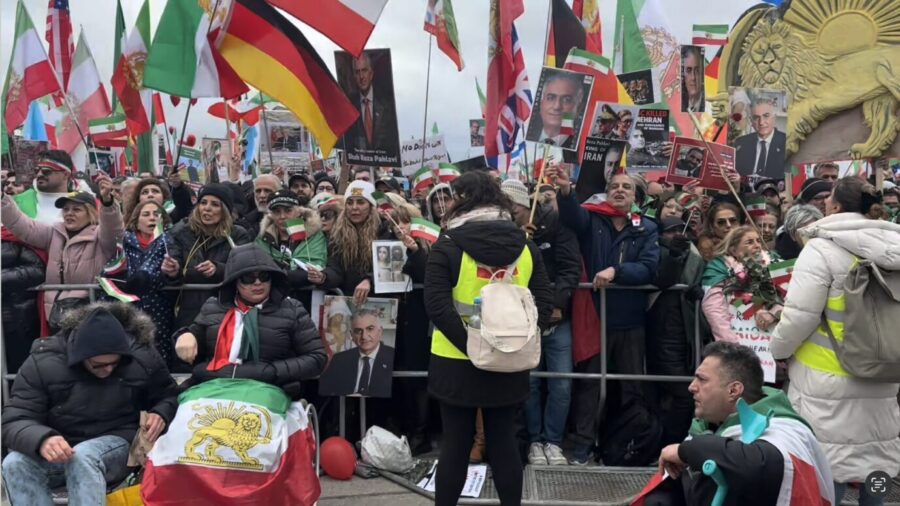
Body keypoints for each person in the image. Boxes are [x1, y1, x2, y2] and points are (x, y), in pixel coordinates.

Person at [425, 170, 553, 506]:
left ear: (463, 200)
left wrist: (473, 345)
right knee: (503, 441)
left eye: (451, 197)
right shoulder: (526, 246)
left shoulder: (447, 245)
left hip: (455, 359)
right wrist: (511, 341)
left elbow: (437, 306)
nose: (445, 204)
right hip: (509, 359)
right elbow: (544, 301)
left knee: (455, 444)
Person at [771, 177, 900, 505]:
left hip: (826, 378)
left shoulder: (821, 248)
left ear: (835, 206)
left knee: (831, 469)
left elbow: (800, 316)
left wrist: (779, 348)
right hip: (885, 370)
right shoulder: (895, 247)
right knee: (878, 460)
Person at [2, 304, 178, 506]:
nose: (109, 369)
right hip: (62, 445)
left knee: (84, 457)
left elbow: (169, 395)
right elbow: (15, 418)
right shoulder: (43, 362)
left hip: (120, 442)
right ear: (80, 357)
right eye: (99, 365)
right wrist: (41, 439)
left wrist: (161, 413)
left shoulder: (142, 356)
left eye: (115, 362)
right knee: (15, 463)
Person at [547, 167, 660, 465]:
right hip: (594, 319)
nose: (620, 190)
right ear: (607, 191)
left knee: (630, 386)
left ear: (635, 196)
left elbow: (650, 267)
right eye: (614, 186)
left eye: (626, 187)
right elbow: (572, 217)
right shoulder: (593, 218)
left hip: (631, 321)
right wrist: (567, 192)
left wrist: (617, 272)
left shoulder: (646, 227)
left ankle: (626, 446)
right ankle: (583, 447)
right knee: (589, 386)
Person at [644, 342, 834, 506]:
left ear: (734, 390)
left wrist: (685, 451)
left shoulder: (785, 431)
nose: (691, 387)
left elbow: (757, 464)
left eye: (702, 379)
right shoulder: (706, 428)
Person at [174, 244, 327, 398]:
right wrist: (184, 335)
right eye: (248, 278)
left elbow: (317, 358)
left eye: (264, 276)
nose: (257, 283)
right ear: (235, 281)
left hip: (268, 390)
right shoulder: (213, 306)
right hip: (211, 387)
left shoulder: (292, 309)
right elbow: (189, 346)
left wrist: (272, 371)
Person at [501, 179, 580, 466]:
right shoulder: (506, 232)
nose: (509, 215)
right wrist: (518, 243)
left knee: (561, 384)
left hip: (558, 319)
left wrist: (558, 304)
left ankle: (554, 441)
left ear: (524, 204)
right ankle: (535, 441)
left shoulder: (557, 225)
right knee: (531, 384)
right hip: (522, 320)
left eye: (513, 209)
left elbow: (570, 268)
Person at [1, 175, 123, 331]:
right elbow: (21, 224)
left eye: (76, 209)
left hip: (89, 317)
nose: (69, 213)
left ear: (91, 213)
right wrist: (2, 199)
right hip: (54, 317)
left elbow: (114, 229)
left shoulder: (100, 236)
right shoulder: (53, 233)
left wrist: (108, 203)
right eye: (66, 209)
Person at [647, 217, 707, 445]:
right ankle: (670, 443)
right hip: (665, 333)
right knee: (683, 393)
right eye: (670, 231)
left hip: (688, 334)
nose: (676, 235)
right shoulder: (656, 251)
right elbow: (663, 280)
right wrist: (673, 256)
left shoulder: (695, 256)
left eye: (681, 230)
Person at [162, 183, 251, 330]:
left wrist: (218, 269)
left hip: (225, 308)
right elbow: (173, 265)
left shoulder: (237, 234)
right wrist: (173, 270)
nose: (207, 208)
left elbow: (244, 268)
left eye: (215, 204)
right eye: (203, 202)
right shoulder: (181, 232)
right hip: (187, 310)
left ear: (225, 210)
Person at [106, 200, 176, 364]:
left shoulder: (169, 241)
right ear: (136, 220)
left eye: (156, 214)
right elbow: (111, 270)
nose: (152, 218)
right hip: (128, 306)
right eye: (146, 214)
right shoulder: (124, 242)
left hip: (159, 308)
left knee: (158, 354)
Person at [701, 226, 781, 343]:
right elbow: (715, 310)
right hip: (738, 342)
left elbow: (794, 301)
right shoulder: (719, 269)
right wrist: (732, 345)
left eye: (758, 241)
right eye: (749, 242)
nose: (757, 245)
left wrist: (774, 313)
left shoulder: (776, 264)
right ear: (734, 250)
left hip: (775, 343)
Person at [308, 181, 381, 304]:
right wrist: (323, 277)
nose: (354, 207)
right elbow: (336, 269)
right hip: (349, 300)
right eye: (350, 202)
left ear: (371, 206)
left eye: (361, 202)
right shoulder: (338, 233)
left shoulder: (384, 230)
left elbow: (390, 268)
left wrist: (370, 280)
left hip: (380, 301)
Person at [255, 189, 327, 309]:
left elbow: (317, 266)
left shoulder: (314, 235)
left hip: (307, 301)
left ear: (298, 211)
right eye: (277, 212)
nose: (282, 216)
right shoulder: (263, 238)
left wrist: (279, 273)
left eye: (288, 210)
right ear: (271, 215)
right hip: (271, 303)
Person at [319, 309, 395, 397]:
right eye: (358, 331)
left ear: (380, 331)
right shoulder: (339, 359)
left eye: (370, 329)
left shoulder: (393, 357)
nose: (364, 336)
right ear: (351, 335)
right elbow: (324, 392)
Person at [344, 53, 399, 154]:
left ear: (371, 74)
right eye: (357, 72)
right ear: (354, 76)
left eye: (364, 70)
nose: (361, 76)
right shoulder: (349, 108)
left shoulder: (387, 106)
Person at [11, 150, 78, 224]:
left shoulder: (82, 202)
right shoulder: (17, 202)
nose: (39, 174)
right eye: (37, 170)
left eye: (46, 171)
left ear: (65, 175)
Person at [734, 100, 786, 179]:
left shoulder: (787, 143)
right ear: (751, 121)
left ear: (774, 118)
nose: (761, 122)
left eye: (766, 116)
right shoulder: (741, 143)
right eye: (756, 118)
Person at [535, 71, 584, 148]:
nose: (557, 106)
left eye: (567, 100)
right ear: (541, 104)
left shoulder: (581, 146)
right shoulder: (523, 136)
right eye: (550, 98)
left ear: (578, 109)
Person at [235, 174, 281, 238]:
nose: (262, 195)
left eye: (267, 191)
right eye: (258, 191)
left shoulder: (291, 219)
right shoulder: (246, 223)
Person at [681, 46, 704, 113]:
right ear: (683, 73)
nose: (693, 77)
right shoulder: (679, 101)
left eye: (697, 70)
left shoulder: (708, 103)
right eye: (688, 70)